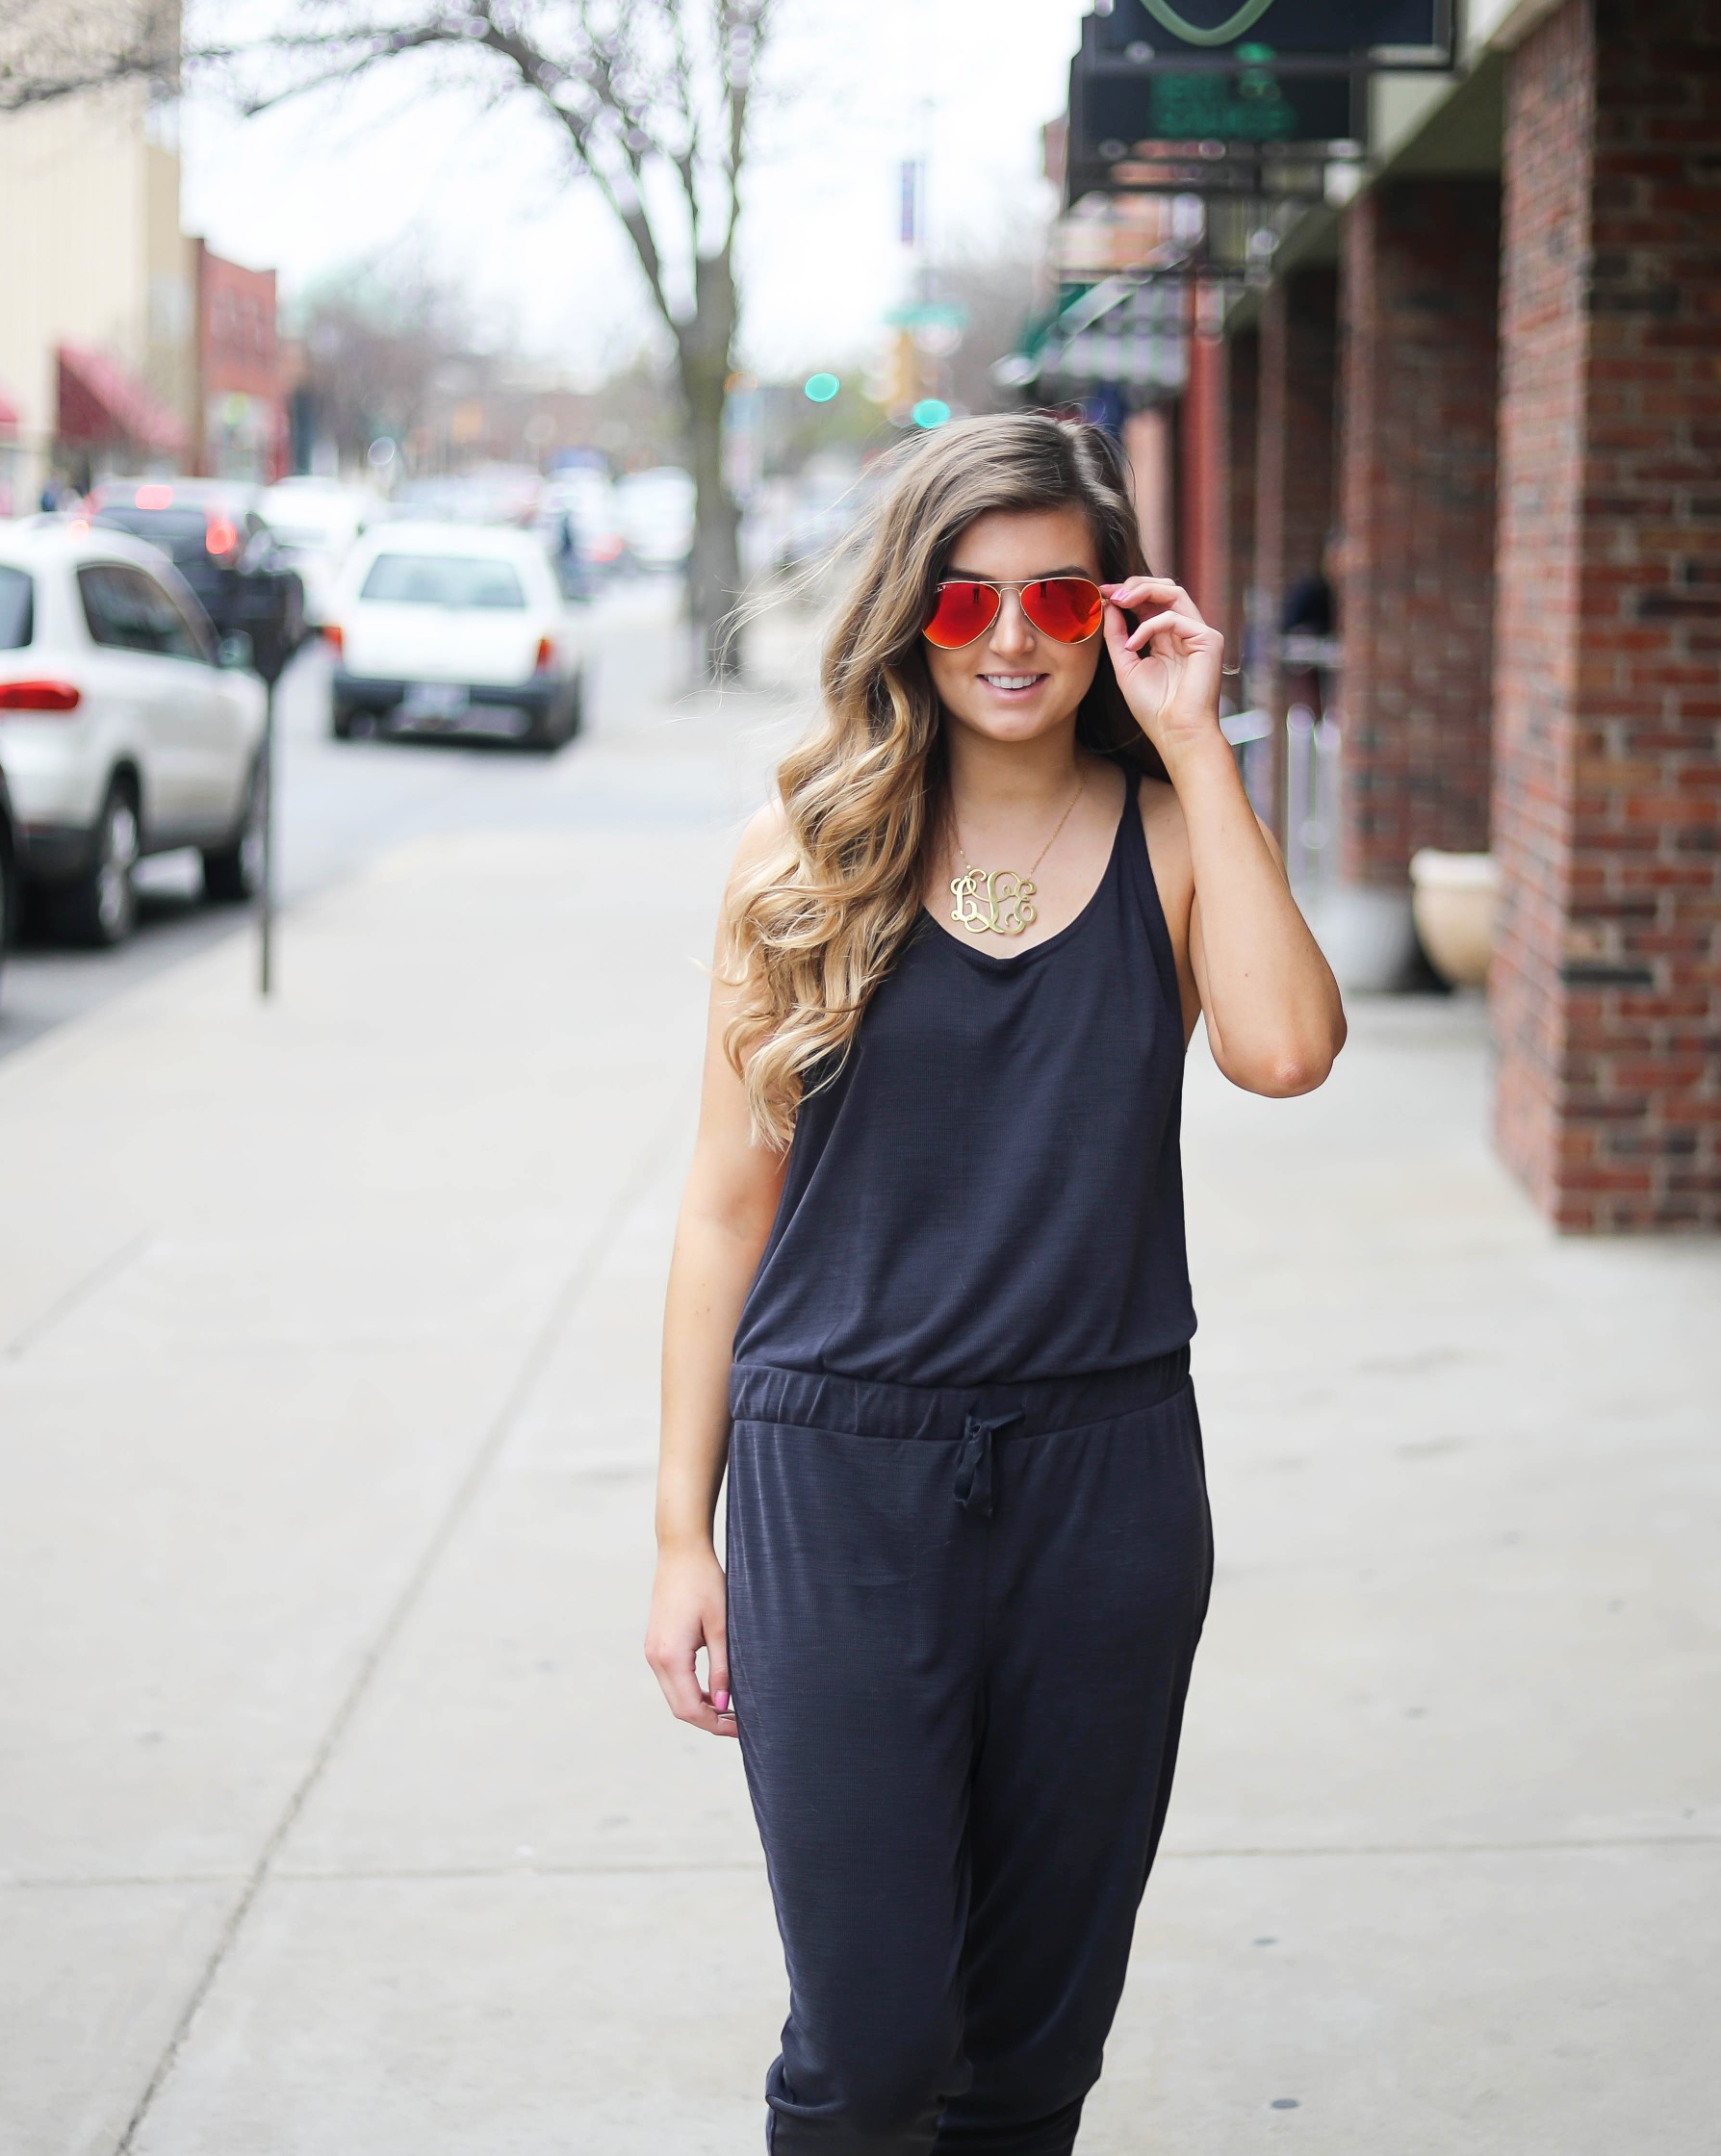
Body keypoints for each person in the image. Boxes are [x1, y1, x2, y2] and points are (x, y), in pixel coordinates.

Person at [648, 412, 1346, 2153]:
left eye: (1059, 597)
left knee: (1029, 2061)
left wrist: (1203, 753)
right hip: (838, 1479)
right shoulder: (799, 856)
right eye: (966, 605)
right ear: (910, 615)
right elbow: (727, 1210)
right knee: (872, 2048)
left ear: (1118, 612)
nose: (1015, 640)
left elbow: (1283, 1050)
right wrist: (683, 1529)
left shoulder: (1174, 841)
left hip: (1102, 1482)